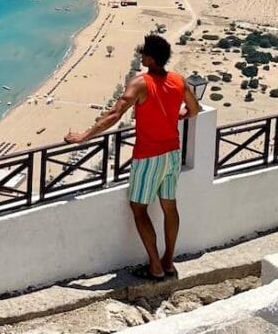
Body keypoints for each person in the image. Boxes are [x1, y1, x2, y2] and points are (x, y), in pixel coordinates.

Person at [65, 34, 200, 281]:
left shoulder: (141, 82)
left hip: (149, 156)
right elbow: (194, 110)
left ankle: (155, 267)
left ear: (150, 57)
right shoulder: (179, 81)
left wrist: (84, 136)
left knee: (139, 209)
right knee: (170, 207)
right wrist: (178, 114)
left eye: (143, 54)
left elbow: (115, 114)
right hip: (172, 153)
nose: (141, 57)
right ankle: (169, 261)